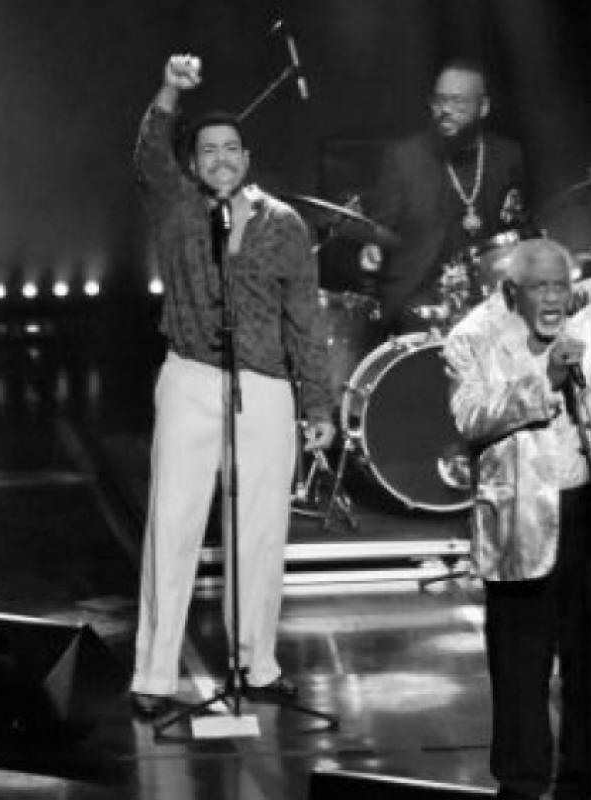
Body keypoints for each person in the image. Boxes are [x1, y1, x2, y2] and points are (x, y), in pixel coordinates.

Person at [443, 190, 591, 800]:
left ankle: (584, 782)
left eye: (561, 285)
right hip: (521, 523)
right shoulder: (472, 337)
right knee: (520, 669)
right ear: (511, 292)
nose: (553, 298)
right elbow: (471, 416)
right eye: (540, 288)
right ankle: (522, 784)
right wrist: (542, 380)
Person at [129, 53, 336, 719]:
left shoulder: (283, 224)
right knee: (173, 525)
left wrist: (318, 402)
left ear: (247, 158)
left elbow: (304, 319)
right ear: (193, 164)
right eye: (207, 150)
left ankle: (256, 663)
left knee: (261, 531)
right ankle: (154, 676)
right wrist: (170, 89)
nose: (220, 159)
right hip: (191, 377)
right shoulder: (176, 206)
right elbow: (148, 155)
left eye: (230, 149)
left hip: (265, 387)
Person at [361, 57, 530, 333]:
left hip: (490, 292)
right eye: (439, 101)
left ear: (483, 107)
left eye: (457, 102)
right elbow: (379, 229)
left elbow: (519, 230)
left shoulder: (507, 156)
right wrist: (373, 246)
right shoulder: (405, 158)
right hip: (422, 296)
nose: (445, 110)